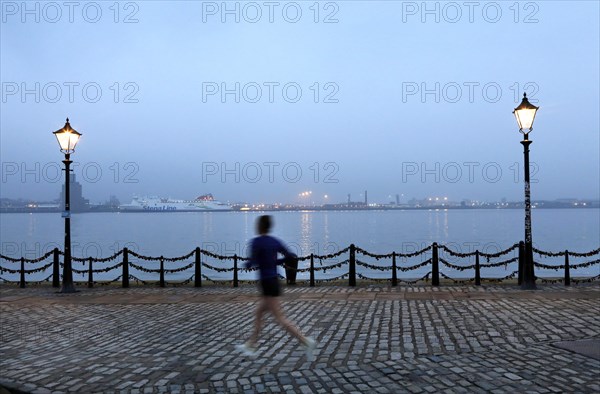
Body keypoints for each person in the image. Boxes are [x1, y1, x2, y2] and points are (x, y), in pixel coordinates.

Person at [235, 215, 316, 358]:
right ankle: (250, 345)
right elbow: (290, 256)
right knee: (259, 313)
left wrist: (246, 264)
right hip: (274, 281)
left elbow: (252, 262)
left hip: (267, 282)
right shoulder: (275, 241)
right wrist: (276, 262)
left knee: (280, 318)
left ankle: (305, 341)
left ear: (259, 226)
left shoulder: (256, 242)